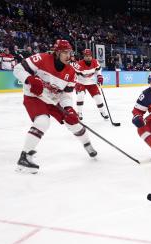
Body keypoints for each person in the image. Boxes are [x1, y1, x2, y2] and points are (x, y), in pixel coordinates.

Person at [13, 39, 97, 173]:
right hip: (35, 97)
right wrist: (30, 79)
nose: (68, 56)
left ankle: (87, 144)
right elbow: (18, 69)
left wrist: (69, 108)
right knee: (42, 122)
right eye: (65, 52)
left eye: (70, 52)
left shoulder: (71, 72)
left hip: (53, 99)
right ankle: (25, 157)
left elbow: (66, 95)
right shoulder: (41, 58)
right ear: (57, 53)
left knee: (74, 123)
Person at [73, 48, 108, 120]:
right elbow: (74, 74)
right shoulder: (78, 64)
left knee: (98, 98)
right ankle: (79, 112)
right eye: (86, 56)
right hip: (81, 82)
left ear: (92, 56)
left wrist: (100, 77)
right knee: (80, 96)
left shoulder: (95, 62)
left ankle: (103, 112)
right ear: (84, 56)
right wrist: (75, 82)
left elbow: (98, 71)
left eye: (89, 55)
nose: (88, 57)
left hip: (91, 82)